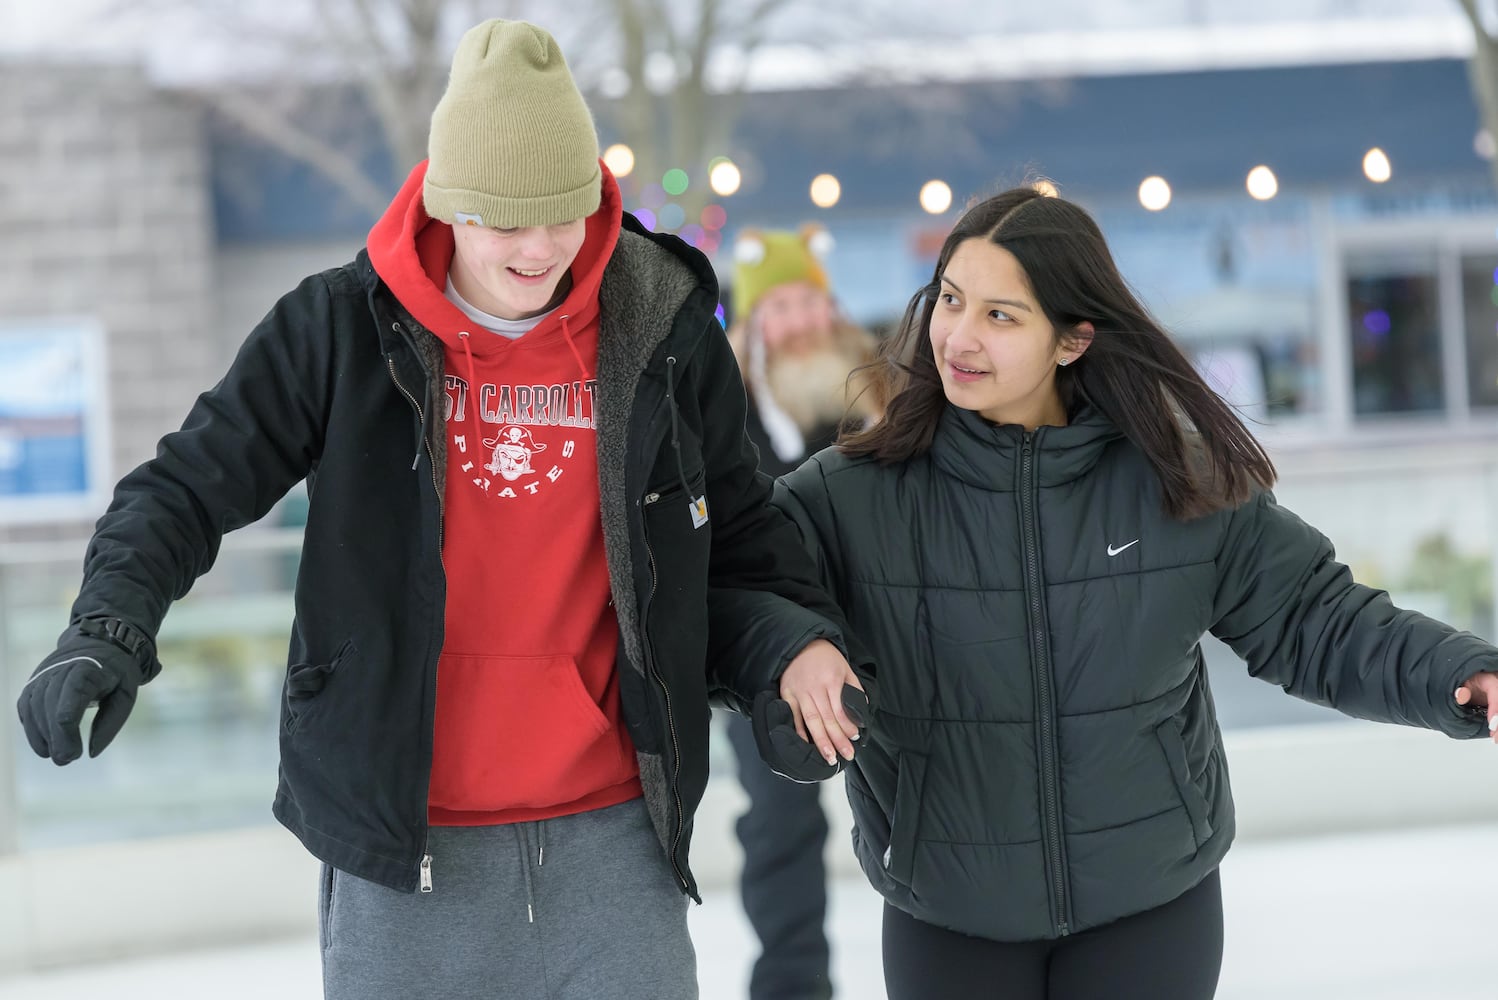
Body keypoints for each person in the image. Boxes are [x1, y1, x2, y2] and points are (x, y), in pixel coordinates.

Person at [15, 19, 869, 1000]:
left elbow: (741, 540)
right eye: (506, 221)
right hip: (408, 859)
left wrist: (792, 645)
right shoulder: (341, 329)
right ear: (449, 203)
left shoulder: (659, 323)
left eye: (565, 211)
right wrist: (109, 628)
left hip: (615, 850)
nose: (542, 248)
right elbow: (183, 488)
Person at [770, 186, 1498, 1000]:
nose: (959, 336)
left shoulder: (1172, 483)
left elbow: (1314, 617)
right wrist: (793, 653)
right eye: (950, 299)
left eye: (1001, 315)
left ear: (1072, 339)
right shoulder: (850, 497)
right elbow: (746, 599)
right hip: (950, 912)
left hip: (1149, 907)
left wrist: (1457, 672)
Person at [721, 225, 882, 1000]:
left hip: (886, 639)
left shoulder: (877, 394)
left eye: (807, 302)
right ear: (754, 320)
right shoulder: (724, 410)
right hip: (768, 654)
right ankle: (792, 985)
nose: (798, 322)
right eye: (779, 307)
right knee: (781, 822)